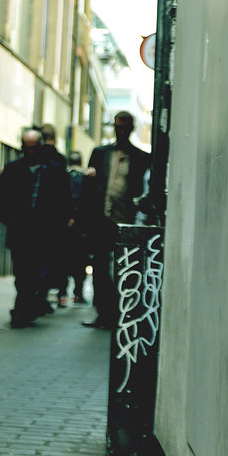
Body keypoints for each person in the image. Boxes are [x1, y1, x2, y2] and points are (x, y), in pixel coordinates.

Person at [82, 111, 151, 329]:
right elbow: (89, 188)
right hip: (101, 219)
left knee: (123, 269)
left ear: (131, 129)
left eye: (124, 128)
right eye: (117, 127)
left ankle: (120, 313)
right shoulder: (100, 153)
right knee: (100, 269)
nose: (120, 132)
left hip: (125, 222)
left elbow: (143, 190)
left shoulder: (141, 158)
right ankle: (102, 313)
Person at [0, 129, 71, 328]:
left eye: (33, 149)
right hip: (20, 232)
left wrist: (59, 227)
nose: (30, 153)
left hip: (43, 234)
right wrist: (10, 220)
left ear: (40, 148)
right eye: (26, 148)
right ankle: (22, 309)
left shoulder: (54, 171)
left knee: (36, 273)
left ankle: (25, 308)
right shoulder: (13, 170)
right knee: (22, 273)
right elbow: (0, 200)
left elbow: (63, 202)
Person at [59, 151, 94, 306]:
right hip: (81, 227)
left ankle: (62, 294)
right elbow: (88, 202)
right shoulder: (86, 177)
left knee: (62, 261)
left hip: (64, 226)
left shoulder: (62, 176)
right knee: (80, 261)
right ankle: (78, 293)